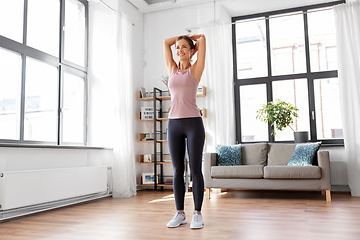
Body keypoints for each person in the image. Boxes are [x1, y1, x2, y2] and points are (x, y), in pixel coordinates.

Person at [163, 34, 206, 229]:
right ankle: (180, 213)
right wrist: (184, 38)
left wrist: (196, 38)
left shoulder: (195, 70)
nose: (179, 50)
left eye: (184, 47)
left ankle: (197, 213)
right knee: (177, 170)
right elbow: (166, 42)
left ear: (191, 51)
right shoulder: (172, 69)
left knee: (195, 170)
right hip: (173, 125)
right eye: (178, 48)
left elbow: (203, 40)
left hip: (193, 124)